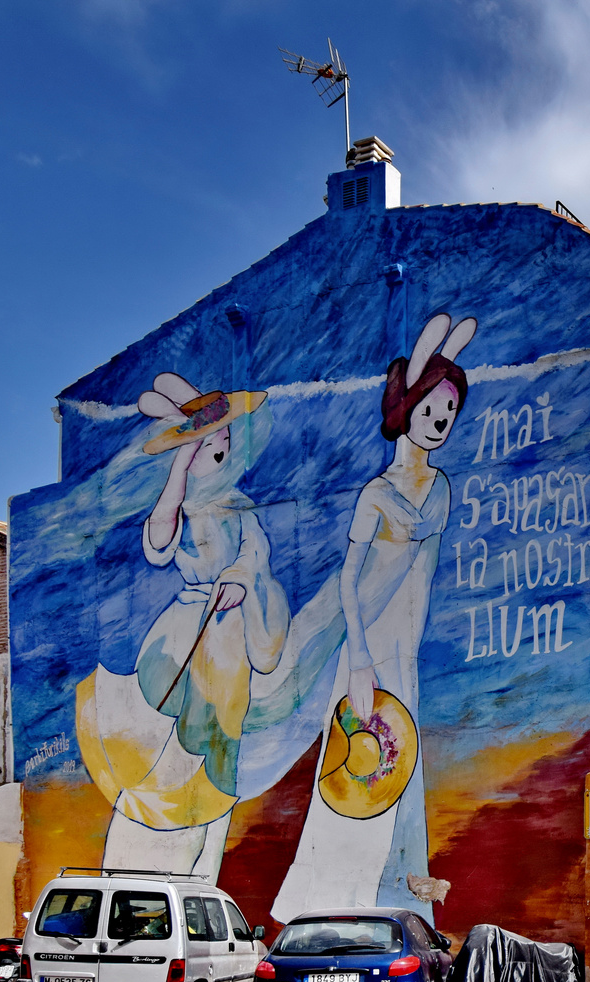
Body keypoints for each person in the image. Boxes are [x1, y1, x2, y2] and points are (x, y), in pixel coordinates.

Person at [270, 314, 473, 922]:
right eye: (432, 408)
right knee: (354, 773)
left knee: (402, 776)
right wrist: (360, 659)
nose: (440, 422)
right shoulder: (375, 495)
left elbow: (425, 576)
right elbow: (349, 580)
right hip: (364, 654)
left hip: (400, 657)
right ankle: (327, 906)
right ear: (406, 408)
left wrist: (402, 654)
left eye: (450, 413)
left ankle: (405, 907)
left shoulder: (439, 488)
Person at [77, 373, 289, 878]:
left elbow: (253, 552)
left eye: (223, 443)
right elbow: (157, 545)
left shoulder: (238, 505)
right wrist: (177, 470)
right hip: (180, 630)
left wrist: (238, 579)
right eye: (208, 446)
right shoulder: (180, 507)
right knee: (165, 718)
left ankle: (205, 821)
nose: (219, 453)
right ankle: (159, 818)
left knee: (218, 727)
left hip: (227, 633)